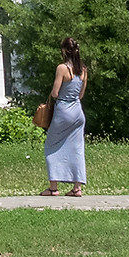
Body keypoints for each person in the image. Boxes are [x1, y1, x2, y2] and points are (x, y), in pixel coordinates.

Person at [42, 36, 89, 198]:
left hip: (63, 111)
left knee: (51, 145)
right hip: (78, 112)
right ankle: (77, 188)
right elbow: (81, 94)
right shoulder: (83, 69)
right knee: (77, 148)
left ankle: (53, 187)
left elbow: (55, 93)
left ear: (63, 51)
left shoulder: (62, 68)